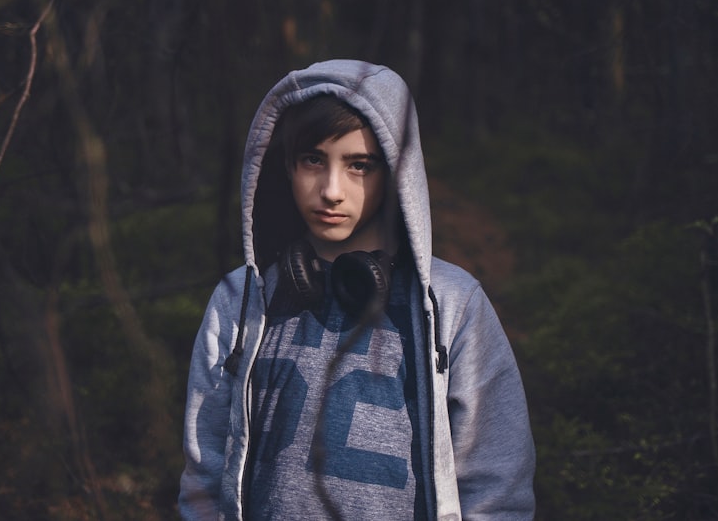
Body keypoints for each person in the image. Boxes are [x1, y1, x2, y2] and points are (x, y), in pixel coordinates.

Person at [179, 59, 535, 520]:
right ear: (285, 165)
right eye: (313, 160)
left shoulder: (450, 304)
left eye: (359, 166)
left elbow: (496, 486)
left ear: (395, 173)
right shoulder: (241, 299)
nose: (331, 190)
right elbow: (203, 476)